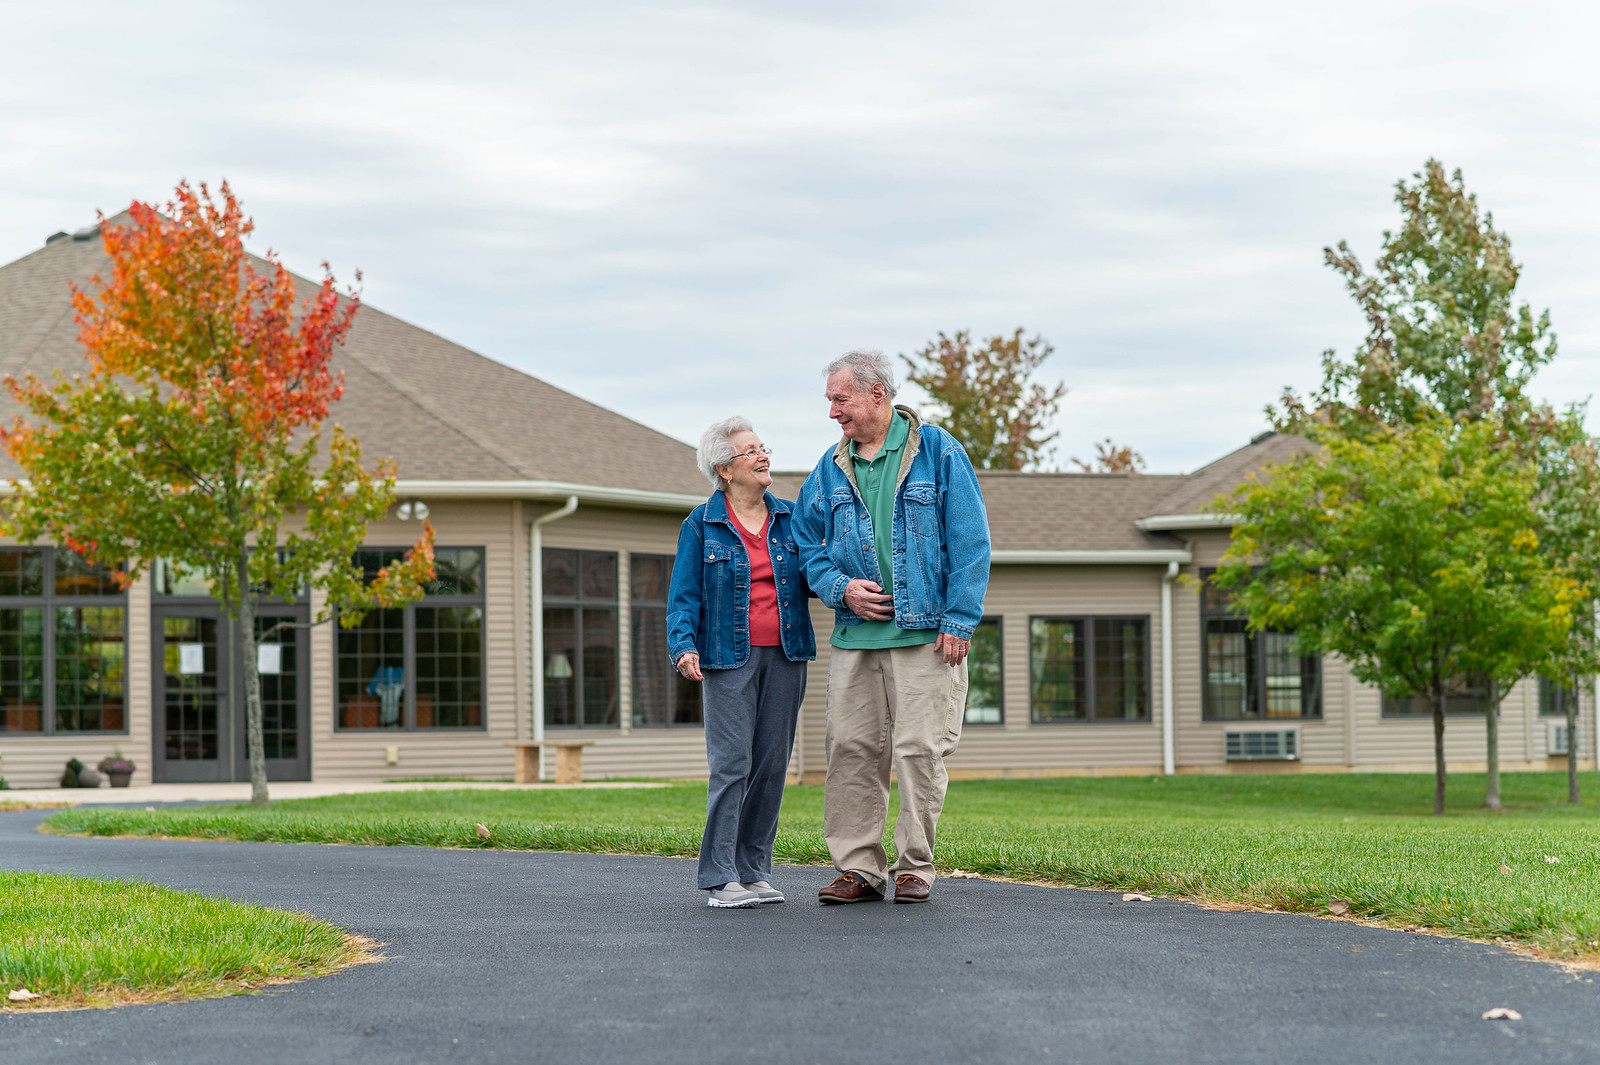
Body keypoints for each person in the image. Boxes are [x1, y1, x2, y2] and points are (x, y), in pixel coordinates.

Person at [792, 349, 990, 904]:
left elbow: (972, 541)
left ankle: (914, 866)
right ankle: (859, 868)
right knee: (851, 749)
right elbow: (805, 546)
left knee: (918, 751)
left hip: (927, 634)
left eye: (840, 399)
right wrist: (840, 589)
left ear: (876, 394)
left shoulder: (938, 452)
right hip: (855, 640)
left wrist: (960, 617)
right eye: (830, 401)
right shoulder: (830, 468)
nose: (833, 412)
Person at [668, 416, 817, 908]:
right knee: (732, 764)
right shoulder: (702, 524)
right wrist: (683, 645)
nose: (762, 456)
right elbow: (684, 595)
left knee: (772, 765)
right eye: (750, 451)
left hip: (787, 653)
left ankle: (753, 871)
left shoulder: (791, 519)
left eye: (762, 447)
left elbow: (818, 572)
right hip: (728, 656)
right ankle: (718, 878)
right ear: (725, 469)